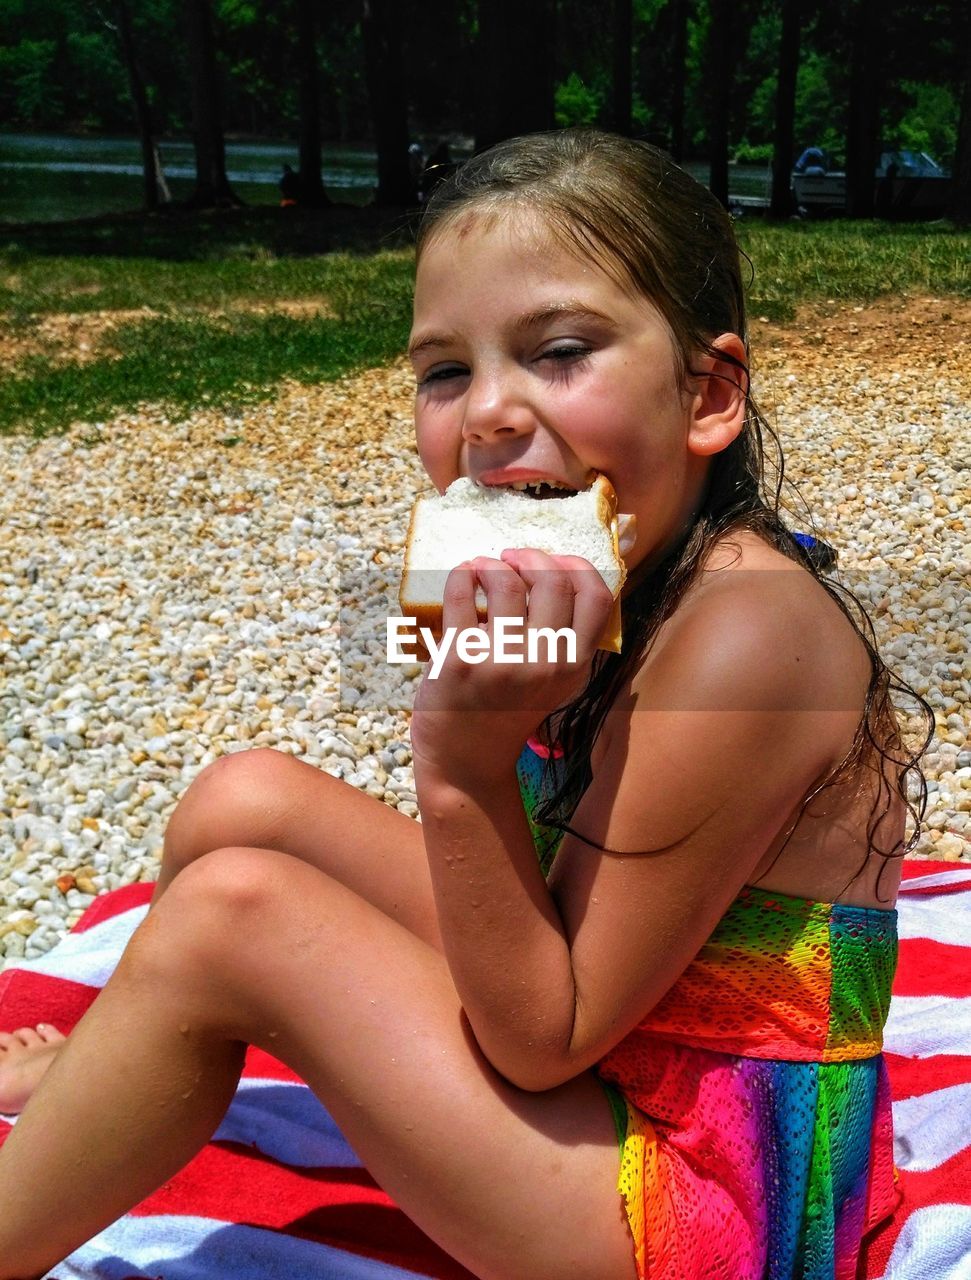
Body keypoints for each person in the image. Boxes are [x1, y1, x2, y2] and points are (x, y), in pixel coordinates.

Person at [0, 130, 928, 1280]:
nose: (486, 410)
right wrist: (462, 678)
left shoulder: (748, 638)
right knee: (246, 799)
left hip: (711, 1207)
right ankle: (108, 1073)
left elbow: (543, 1039)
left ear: (705, 392)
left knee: (235, 914)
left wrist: (458, 766)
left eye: (557, 351)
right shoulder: (611, 572)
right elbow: (539, 876)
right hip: (618, 1046)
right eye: (445, 369)